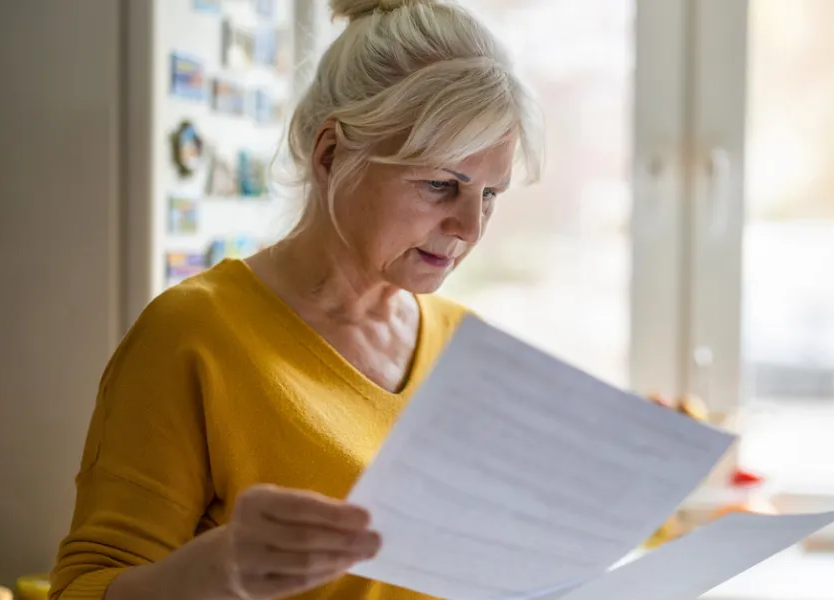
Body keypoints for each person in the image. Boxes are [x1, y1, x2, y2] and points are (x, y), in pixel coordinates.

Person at [49, 0, 542, 598]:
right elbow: (83, 587)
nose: (470, 227)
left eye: (490, 194)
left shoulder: (467, 345)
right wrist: (216, 571)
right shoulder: (193, 335)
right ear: (330, 154)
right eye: (440, 184)